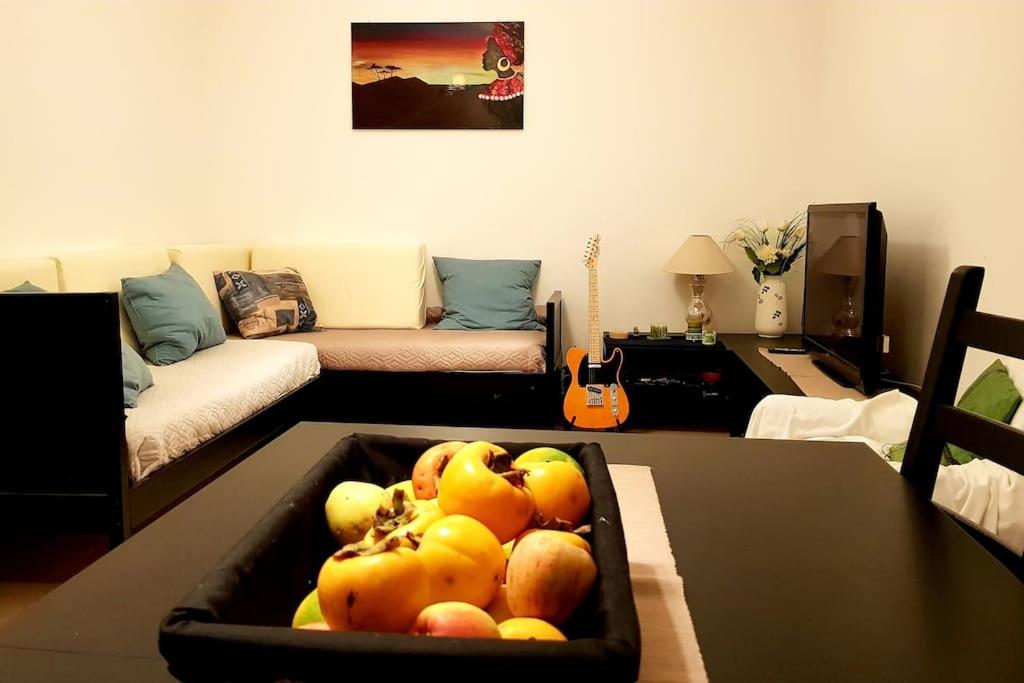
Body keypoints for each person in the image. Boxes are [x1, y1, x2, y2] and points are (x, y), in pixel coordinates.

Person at [479, 22, 524, 103]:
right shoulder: (492, 90)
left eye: (489, 50)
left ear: (507, 56)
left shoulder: (518, 89)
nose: (484, 54)